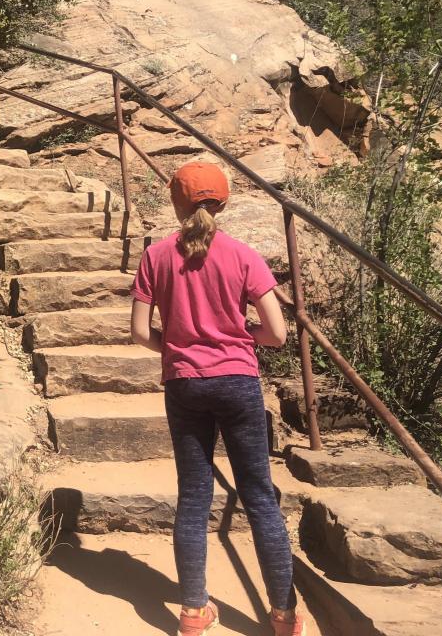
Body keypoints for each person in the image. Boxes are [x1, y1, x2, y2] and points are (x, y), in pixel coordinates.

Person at [129, 161, 304, 636]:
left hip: (184, 384)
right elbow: (278, 334)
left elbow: (141, 332)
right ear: (223, 202)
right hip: (238, 382)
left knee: (193, 497)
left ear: (177, 203)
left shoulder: (156, 256)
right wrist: (239, 333)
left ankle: (192, 612)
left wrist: (180, 346)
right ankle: (284, 617)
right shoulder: (243, 255)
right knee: (260, 498)